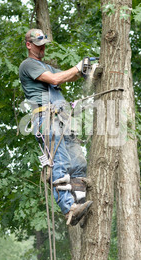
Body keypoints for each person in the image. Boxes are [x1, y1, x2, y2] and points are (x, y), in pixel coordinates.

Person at [19, 29, 92, 226]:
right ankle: (68, 208)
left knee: (78, 163)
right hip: (45, 119)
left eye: (43, 43)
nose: (42, 47)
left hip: (62, 119)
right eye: (38, 43)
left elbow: (67, 77)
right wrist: (77, 68)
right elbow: (56, 80)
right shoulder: (28, 65)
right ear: (29, 45)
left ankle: (79, 205)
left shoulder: (46, 66)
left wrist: (84, 70)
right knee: (59, 163)